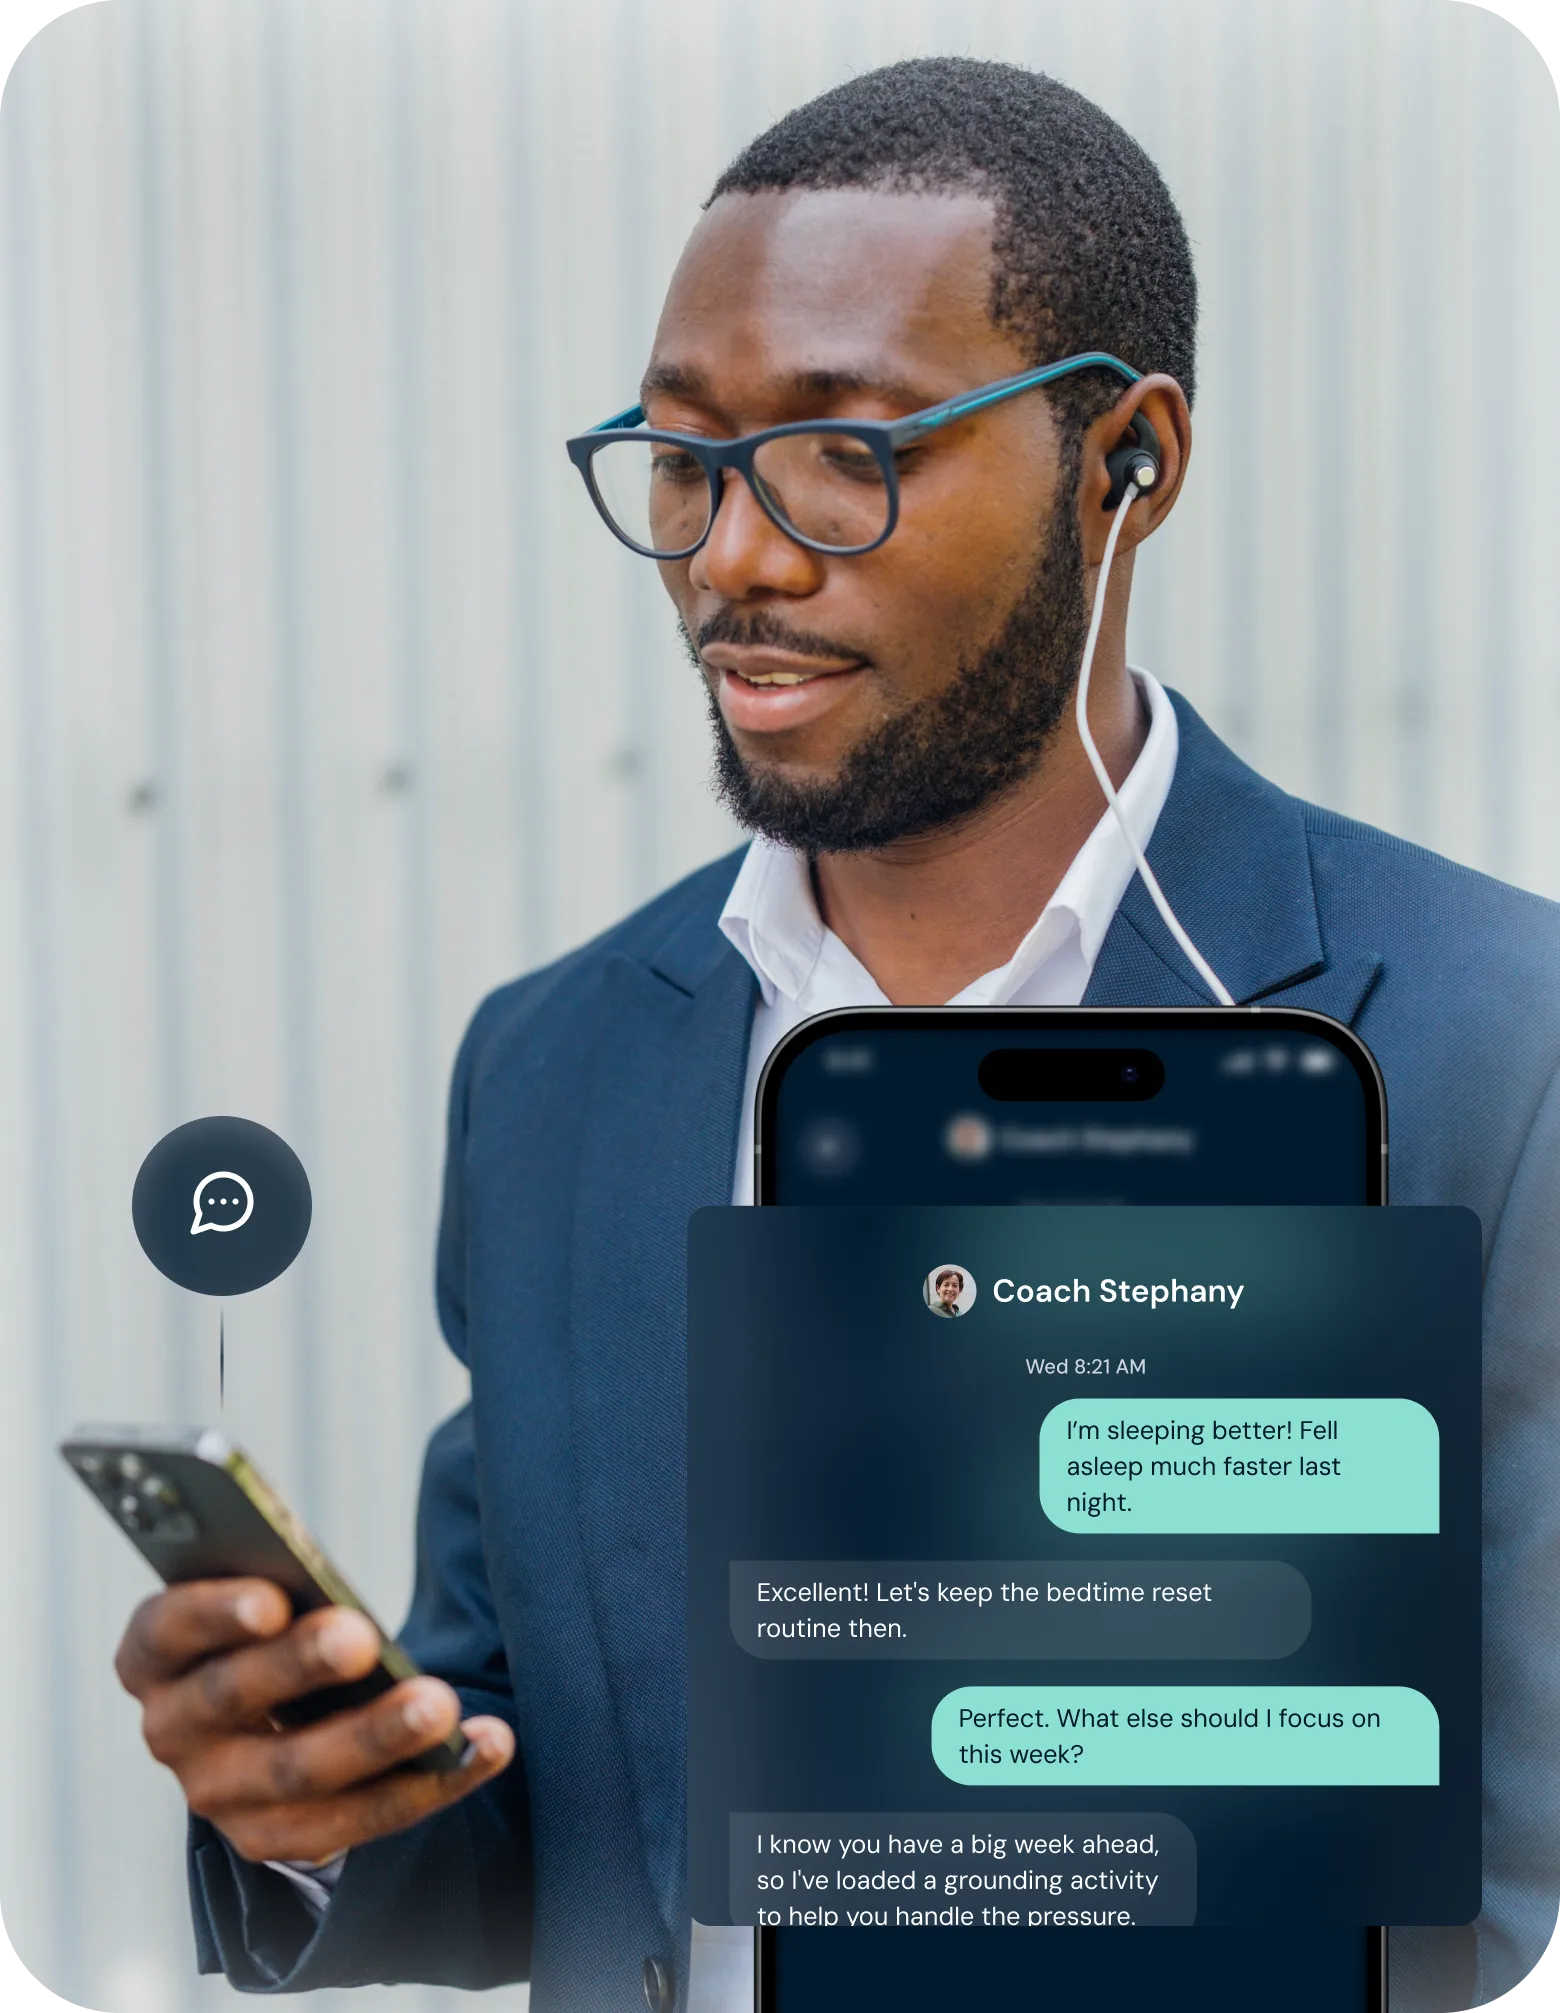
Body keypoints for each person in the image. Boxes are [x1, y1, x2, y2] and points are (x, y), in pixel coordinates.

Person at [110, 57, 1560, 2013]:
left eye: (845, 454)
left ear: (1127, 459)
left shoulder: (1497, 1042)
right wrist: (315, 1802)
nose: (735, 558)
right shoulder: (555, 1071)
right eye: (688, 458)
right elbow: (572, 1832)